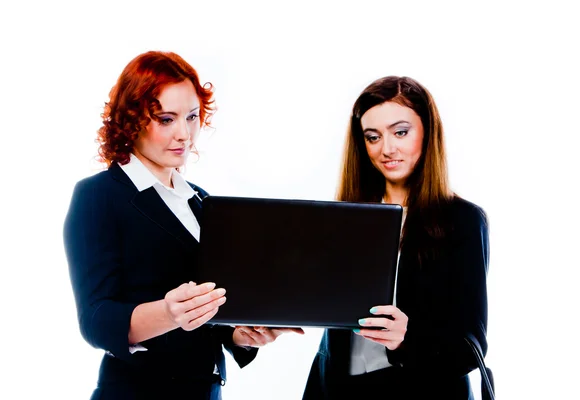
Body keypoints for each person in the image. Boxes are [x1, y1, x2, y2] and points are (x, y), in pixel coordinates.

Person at [63, 50, 302, 400]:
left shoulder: (202, 202)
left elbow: (213, 319)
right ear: (130, 120)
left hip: (205, 391)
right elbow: (96, 319)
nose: (184, 134)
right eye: (165, 119)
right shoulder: (99, 195)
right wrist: (169, 312)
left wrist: (243, 335)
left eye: (191, 117)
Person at [302, 76, 490, 399]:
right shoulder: (344, 217)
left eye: (400, 132)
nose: (387, 149)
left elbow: (470, 347)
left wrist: (407, 338)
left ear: (427, 132)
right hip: (340, 390)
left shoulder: (463, 221)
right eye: (372, 137)